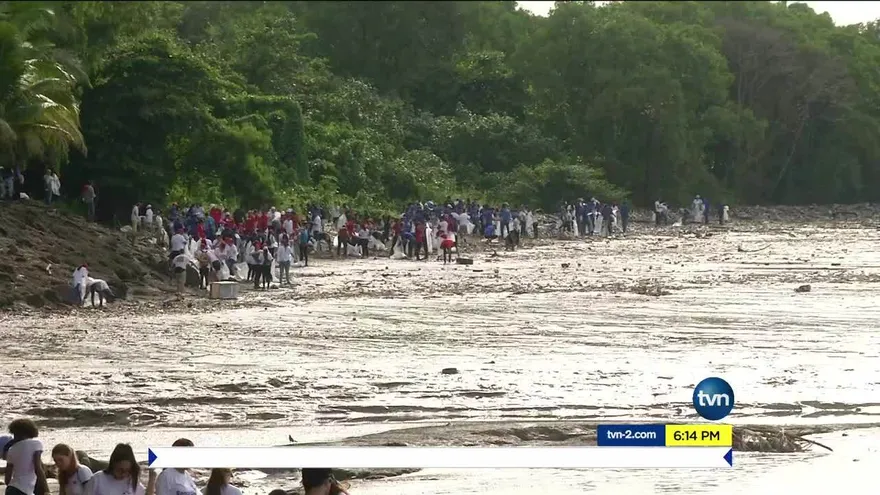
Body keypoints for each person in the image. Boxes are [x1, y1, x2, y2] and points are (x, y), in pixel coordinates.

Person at [3, 418, 49, 495]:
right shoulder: (36, 444)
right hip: (25, 490)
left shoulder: (11, 449)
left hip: (11, 489)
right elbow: (38, 469)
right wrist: (47, 490)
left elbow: (7, 476)